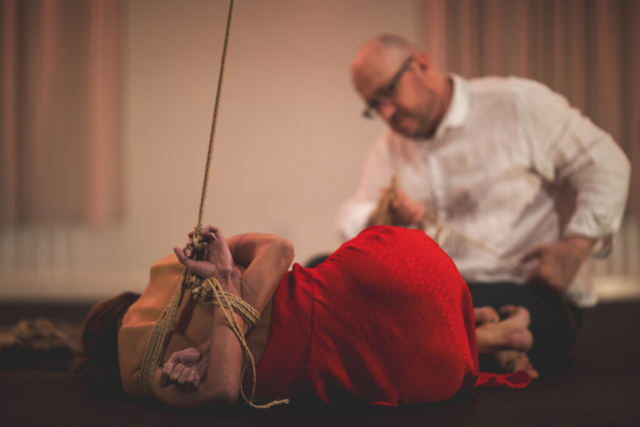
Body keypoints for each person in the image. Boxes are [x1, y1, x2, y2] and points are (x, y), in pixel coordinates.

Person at [336, 35, 631, 372]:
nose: (386, 112)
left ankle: (443, 344)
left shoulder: (515, 104)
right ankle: (484, 344)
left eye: (388, 92)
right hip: (441, 296)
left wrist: (576, 248)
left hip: (525, 293)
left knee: (394, 320)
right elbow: (351, 215)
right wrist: (379, 214)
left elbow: (605, 162)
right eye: (373, 106)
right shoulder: (389, 146)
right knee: (323, 270)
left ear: (421, 65)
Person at [75, 225, 532, 408]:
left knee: (391, 343)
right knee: (387, 324)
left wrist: (225, 322)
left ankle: (489, 337)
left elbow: (220, 388)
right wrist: (231, 293)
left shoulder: (145, 371)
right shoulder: (177, 274)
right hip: (401, 264)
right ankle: (482, 329)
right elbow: (281, 251)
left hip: (401, 361)